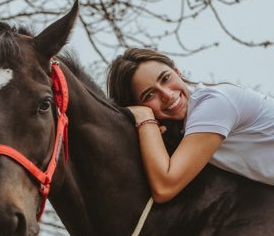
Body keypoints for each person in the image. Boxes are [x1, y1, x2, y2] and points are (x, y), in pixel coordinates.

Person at [107, 48, 274, 203]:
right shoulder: (187, 122)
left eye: (165, 78)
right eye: (149, 95)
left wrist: (144, 116)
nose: (167, 95)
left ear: (177, 72)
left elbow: (165, 187)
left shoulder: (214, 105)